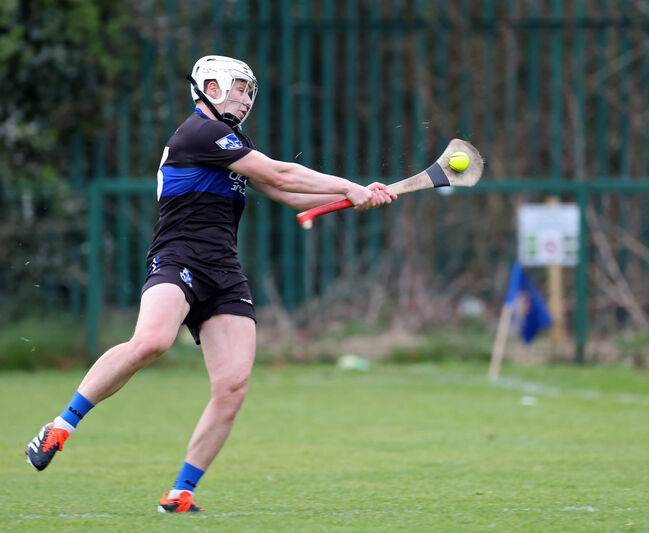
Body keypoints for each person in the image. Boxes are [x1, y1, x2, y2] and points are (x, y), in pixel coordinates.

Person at [25, 55, 396, 513]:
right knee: (151, 342)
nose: (244, 99)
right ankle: (61, 426)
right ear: (210, 88)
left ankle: (181, 493)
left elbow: (282, 191)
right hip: (177, 257)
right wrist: (348, 186)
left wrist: (356, 194)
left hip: (223, 272)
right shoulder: (200, 133)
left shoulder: (235, 144)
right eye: (237, 88)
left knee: (232, 386)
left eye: (248, 92)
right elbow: (280, 173)